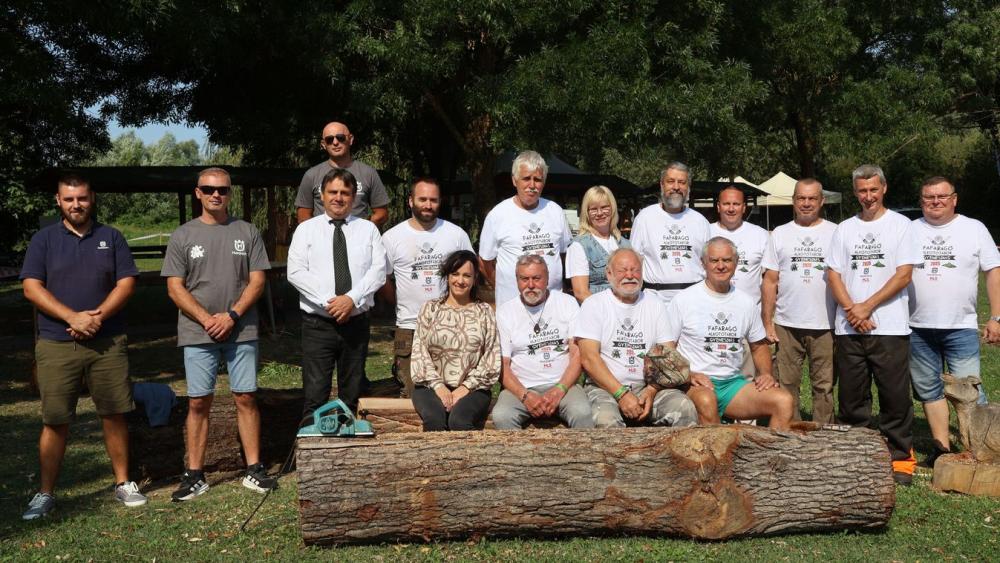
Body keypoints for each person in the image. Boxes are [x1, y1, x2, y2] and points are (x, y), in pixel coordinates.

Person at [20, 174, 145, 519]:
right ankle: (45, 493)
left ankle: (123, 483)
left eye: (82, 198)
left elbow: (126, 283)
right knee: (55, 419)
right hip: (56, 342)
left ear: (92, 199)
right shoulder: (43, 240)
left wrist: (97, 317)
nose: (76, 205)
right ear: (58, 201)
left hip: (107, 341)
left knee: (114, 413)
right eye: (69, 199)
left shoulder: (111, 237)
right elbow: (31, 287)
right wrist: (73, 318)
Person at [162, 167, 276, 501]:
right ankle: (195, 474)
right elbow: (174, 287)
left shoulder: (247, 231)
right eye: (209, 189)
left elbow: (257, 280)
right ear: (198, 192)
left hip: (241, 329)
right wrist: (206, 319)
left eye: (223, 190)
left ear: (230, 193)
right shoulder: (183, 235)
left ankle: (254, 468)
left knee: (246, 396)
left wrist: (232, 315)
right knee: (198, 401)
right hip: (197, 331)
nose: (216, 195)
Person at [826, 164, 919, 485]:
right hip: (849, 328)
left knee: (895, 397)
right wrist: (852, 310)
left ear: (884, 188)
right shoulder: (844, 229)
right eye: (862, 191)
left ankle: (900, 458)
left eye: (873, 190)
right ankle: (857, 457)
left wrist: (867, 306)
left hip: (889, 327)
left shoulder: (901, 226)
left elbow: (904, 275)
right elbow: (834, 274)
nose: (868, 196)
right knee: (852, 399)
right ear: (855, 193)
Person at [908, 176, 1000, 466]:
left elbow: (993, 271)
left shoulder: (974, 229)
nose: (935, 201)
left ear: (954, 199)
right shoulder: (909, 229)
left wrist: (996, 316)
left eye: (942, 196)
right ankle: (942, 450)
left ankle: (981, 450)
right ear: (921, 201)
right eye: (929, 197)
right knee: (928, 390)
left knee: (969, 391)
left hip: (961, 326)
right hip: (917, 326)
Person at [665, 237, 794, 429]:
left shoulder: (746, 302)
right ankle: (716, 449)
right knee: (707, 401)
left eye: (726, 260)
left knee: (783, 401)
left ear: (736, 263)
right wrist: (688, 374)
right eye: (714, 260)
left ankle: (772, 448)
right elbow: (667, 348)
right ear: (703, 263)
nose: (720, 266)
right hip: (695, 383)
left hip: (732, 385)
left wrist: (766, 373)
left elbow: (758, 346)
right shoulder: (683, 299)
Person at [288, 168, 386, 418]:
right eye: (333, 192)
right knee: (314, 397)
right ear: (322, 195)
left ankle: (347, 442)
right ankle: (312, 441)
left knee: (352, 397)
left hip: (356, 323)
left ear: (353, 197)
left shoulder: (368, 230)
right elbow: (296, 272)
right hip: (318, 325)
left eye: (345, 193)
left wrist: (351, 299)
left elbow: (378, 271)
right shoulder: (306, 230)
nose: (338, 198)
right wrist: (331, 303)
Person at [575, 248, 699, 428]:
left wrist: (651, 390)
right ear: (609, 274)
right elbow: (589, 358)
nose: (629, 275)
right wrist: (622, 394)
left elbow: (668, 356)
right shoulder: (594, 304)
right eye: (622, 270)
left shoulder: (655, 304)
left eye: (635, 270)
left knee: (683, 407)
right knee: (605, 420)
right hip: (605, 388)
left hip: (648, 387)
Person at [380, 178, 473, 397]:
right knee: (413, 393)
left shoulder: (456, 235)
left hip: (451, 324)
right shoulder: (392, 237)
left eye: (433, 200)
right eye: (422, 199)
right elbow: (382, 278)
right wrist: (398, 302)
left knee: (452, 390)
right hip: (410, 326)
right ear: (410, 201)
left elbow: (470, 274)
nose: (428, 205)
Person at [761, 178, 838, 423]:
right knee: (786, 383)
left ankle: (823, 434)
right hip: (787, 323)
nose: (806, 203)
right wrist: (768, 322)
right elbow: (770, 280)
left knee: (824, 385)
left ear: (821, 201)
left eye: (812, 198)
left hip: (826, 322)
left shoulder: (836, 232)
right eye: (801, 198)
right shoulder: (780, 234)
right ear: (793, 201)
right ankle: (790, 430)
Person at [493, 255, 594, 429]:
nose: (531, 285)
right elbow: (503, 366)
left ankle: (582, 449)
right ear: (517, 281)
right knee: (502, 415)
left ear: (547, 279)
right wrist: (525, 396)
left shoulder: (567, 303)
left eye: (536, 278)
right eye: (524, 279)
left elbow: (577, 354)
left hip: (563, 384)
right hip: (521, 387)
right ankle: (518, 449)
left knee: (582, 412)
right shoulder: (505, 312)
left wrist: (560, 389)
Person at [410, 250, 500, 430]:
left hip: (474, 389)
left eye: (467, 275)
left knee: (459, 422)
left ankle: (472, 450)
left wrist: (465, 387)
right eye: (455, 274)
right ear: (447, 276)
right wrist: (439, 387)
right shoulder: (430, 309)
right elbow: (420, 352)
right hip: (430, 386)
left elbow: (491, 357)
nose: (460, 280)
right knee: (434, 420)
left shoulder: (484, 312)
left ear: (475, 279)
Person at [479, 150, 572, 306]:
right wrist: (503, 287)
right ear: (514, 180)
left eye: (538, 179)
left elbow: (563, 254)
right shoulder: (498, 215)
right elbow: (484, 262)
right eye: (526, 178)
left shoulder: (555, 211)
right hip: (513, 305)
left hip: (552, 304)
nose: (532, 185)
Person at [630, 161, 711, 304]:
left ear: (688, 187)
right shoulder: (644, 218)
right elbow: (635, 259)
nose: (676, 187)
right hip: (655, 299)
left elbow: (709, 261)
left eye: (682, 182)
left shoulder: (700, 221)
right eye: (671, 181)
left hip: (694, 299)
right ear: (662, 185)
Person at [294, 121, 390, 227]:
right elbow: (303, 216)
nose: (335, 142)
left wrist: (363, 230)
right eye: (329, 139)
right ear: (323, 144)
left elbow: (382, 213)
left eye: (340, 138)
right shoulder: (311, 175)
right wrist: (318, 233)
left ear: (351, 139)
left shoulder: (369, 173)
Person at [566, 185, 631, 303]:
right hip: (597, 311)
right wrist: (608, 310)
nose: (599, 213)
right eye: (593, 209)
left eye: (604, 207)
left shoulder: (625, 244)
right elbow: (581, 293)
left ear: (612, 209)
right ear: (587, 213)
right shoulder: (579, 246)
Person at [709, 186, 769, 303]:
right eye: (726, 204)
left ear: (744, 207)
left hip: (751, 309)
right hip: (713, 306)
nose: (731, 209)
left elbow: (770, 279)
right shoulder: (705, 232)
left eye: (736, 204)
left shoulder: (761, 234)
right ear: (718, 207)